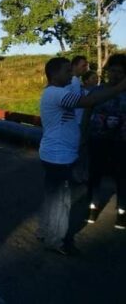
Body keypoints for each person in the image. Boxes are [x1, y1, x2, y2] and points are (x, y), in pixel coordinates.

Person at [37, 57, 126, 255]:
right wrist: (120, 88)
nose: (72, 74)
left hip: (54, 154)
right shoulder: (57, 94)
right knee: (61, 202)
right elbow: (89, 101)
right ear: (55, 74)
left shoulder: (53, 93)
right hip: (58, 156)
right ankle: (56, 241)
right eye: (67, 71)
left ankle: (44, 231)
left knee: (51, 198)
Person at [85, 54, 126, 230]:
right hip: (97, 139)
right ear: (107, 71)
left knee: (122, 177)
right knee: (95, 174)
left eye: (120, 72)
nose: (115, 75)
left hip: (122, 142)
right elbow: (87, 114)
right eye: (112, 70)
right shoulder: (96, 91)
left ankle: (122, 212)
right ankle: (92, 207)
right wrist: (83, 135)